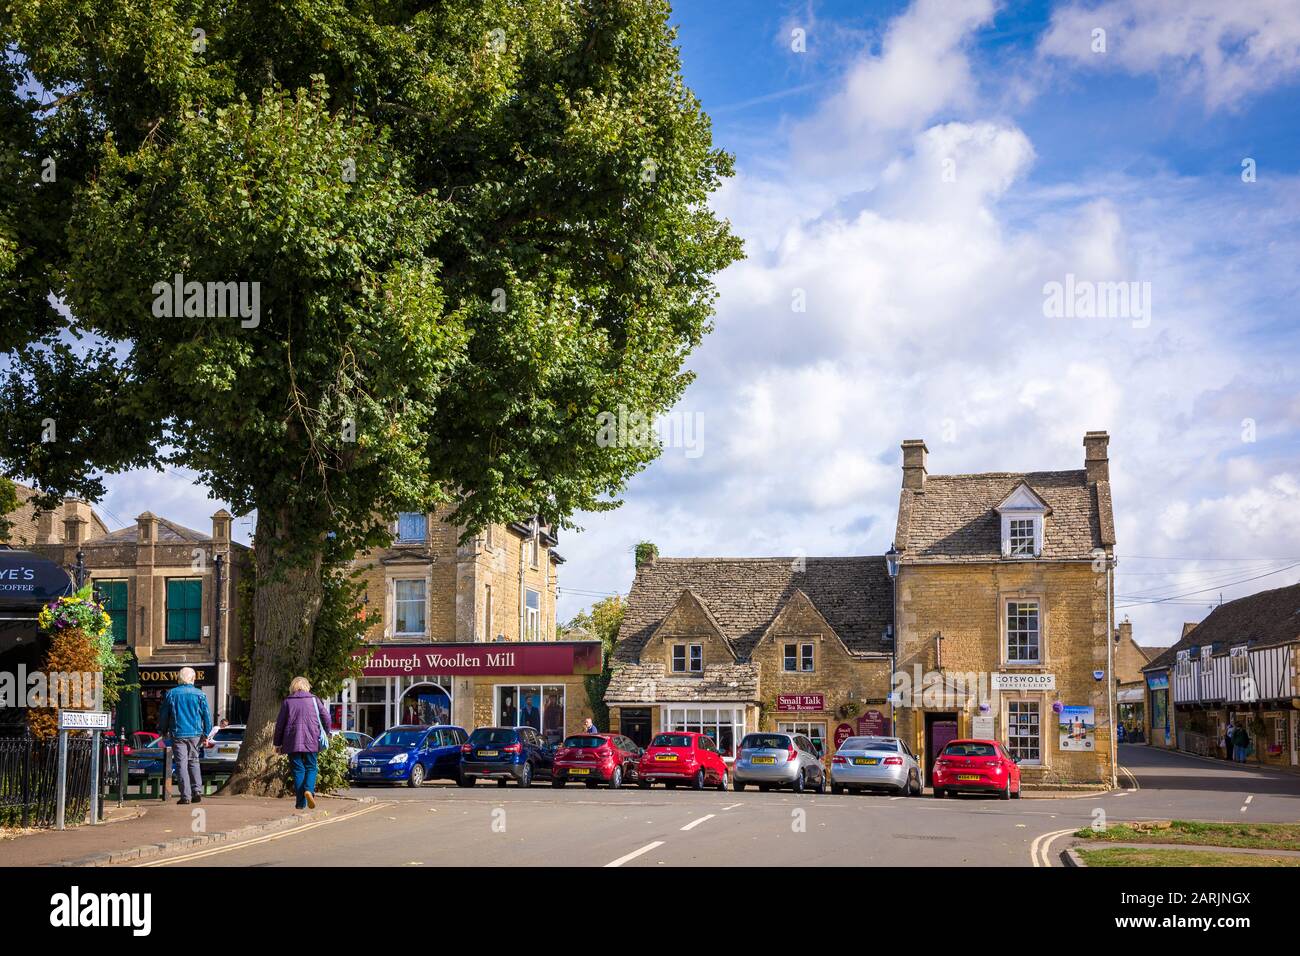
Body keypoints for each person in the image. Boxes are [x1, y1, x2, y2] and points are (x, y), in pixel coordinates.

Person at [274, 676, 332, 810]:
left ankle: (300, 803)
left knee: (298, 770)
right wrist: (326, 732)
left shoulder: (287, 701)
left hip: (292, 741)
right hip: (312, 739)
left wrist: (278, 743)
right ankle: (309, 791)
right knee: (311, 767)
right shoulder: (314, 700)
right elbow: (327, 718)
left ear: (293, 687)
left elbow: (280, 725)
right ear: (307, 686)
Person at [157, 666, 212, 805]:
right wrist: (206, 734)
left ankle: (185, 796)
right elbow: (207, 717)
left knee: (181, 764)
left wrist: (163, 731)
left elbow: (163, 716)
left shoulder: (171, 694)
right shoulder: (200, 694)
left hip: (178, 732)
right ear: (193, 678)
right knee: (194, 761)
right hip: (195, 734)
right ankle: (197, 791)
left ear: (179, 678)